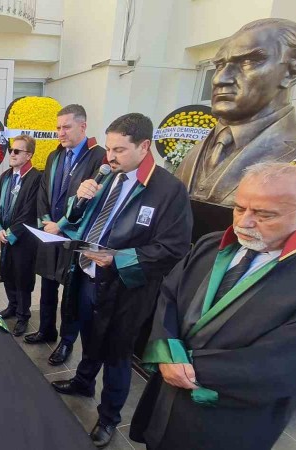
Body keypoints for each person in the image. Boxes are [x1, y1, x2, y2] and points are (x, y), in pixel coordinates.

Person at [130, 162, 296, 450]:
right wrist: (166, 352)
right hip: (166, 397)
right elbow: (170, 296)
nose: (244, 223)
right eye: (239, 208)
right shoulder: (211, 244)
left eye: (264, 214)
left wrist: (188, 369)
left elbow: (287, 364)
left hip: (229, 419)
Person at [50, 113, 193, 447]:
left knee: (117, 353)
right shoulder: (108, 176)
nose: (110, 157)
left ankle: (109, 417)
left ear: (144, 146)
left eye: (119, 150)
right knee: (89, 335)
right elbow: (78, 220)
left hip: (127, 287)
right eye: (109, 148)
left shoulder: (168, 190)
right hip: (88, 274)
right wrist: (79, 199)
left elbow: (174, 247)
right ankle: (84, 381)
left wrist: (120, 259)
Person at [176, 18, 296, 207]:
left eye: (248, 62)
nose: (220, 79)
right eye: (219, 66)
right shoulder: (198, 150)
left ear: (292, 72)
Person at [25, 104, 107, 366]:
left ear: (83, 126)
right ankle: (46, 328)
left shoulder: (98, 157)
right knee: (48, 285)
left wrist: (61, 225)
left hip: (73, 235)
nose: (60, 132)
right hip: (51, 232)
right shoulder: (54, 156)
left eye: (66, 127)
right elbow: (43, 192)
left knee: (71, 293)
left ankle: (66, 342)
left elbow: (92, 201)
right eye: (58, 127)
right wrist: (46, 221)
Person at [0, 135, 41, 336]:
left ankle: (23, 315)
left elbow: (29, 212)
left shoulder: (35, 178)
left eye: (17, 151)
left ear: (28, 155)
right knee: (8, 273)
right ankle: (12, 306)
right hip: (5, 236)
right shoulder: (5, 176)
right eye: (11, 150)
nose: (12, 154)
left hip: (23, 239)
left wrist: (11, 233)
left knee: (22, 276)